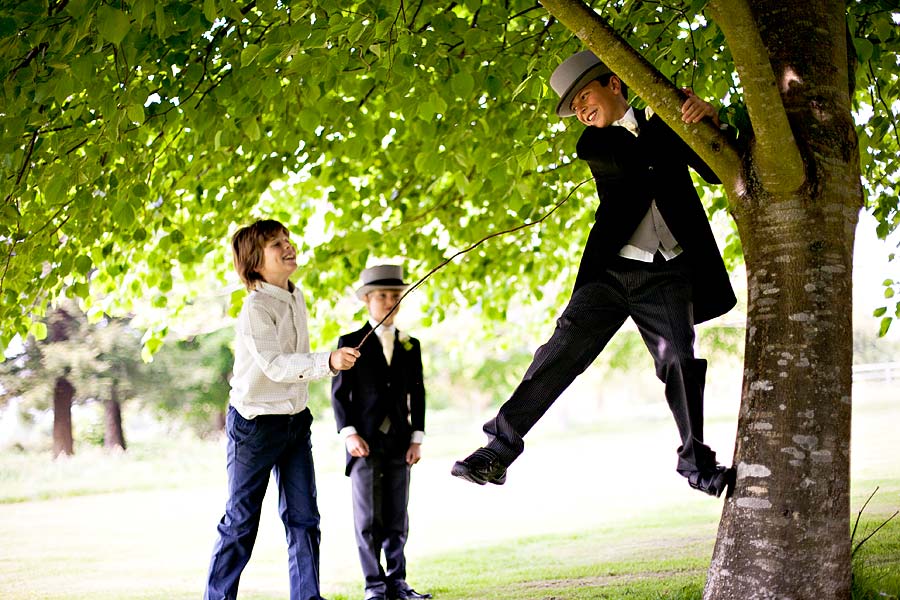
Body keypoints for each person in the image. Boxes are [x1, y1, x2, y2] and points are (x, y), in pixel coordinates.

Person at [451, 50, 738, 497]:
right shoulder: (597, 144)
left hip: (667, 275)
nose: (582, 112)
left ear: (615, 86)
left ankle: (696, 465)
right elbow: (638, 168)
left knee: (680, 362)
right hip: (610, 275)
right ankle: (497, 450)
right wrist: (667, 120)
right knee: (560, 354)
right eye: (575, 109)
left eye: (585, 97)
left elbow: (715, 171)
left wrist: (706, 121)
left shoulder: (666, 119)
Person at [204, 219, 360, 600]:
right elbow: (276, 364)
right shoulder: (255, 307)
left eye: (287, 239)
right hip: (254, 425)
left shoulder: (296, 295)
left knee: (304, 519)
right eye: (276, 244)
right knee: (241, 523)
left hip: (295, 422)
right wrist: (329, 361)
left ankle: (308, 597)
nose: (288, 247)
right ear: (255, 262)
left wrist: (327, 362)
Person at [331, 265, 432, 600]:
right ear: (367, 300)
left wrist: (417, 437)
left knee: (397, 516)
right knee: (368, 518)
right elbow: (339, 395)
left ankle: (398, 582)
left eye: (394, 296)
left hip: (400, 442)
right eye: (382, 296)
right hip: (365, 443)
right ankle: (374, 585)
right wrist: (349, 433)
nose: (389, 301)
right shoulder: (349, 343)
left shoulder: (410, 345)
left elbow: (417, 394)